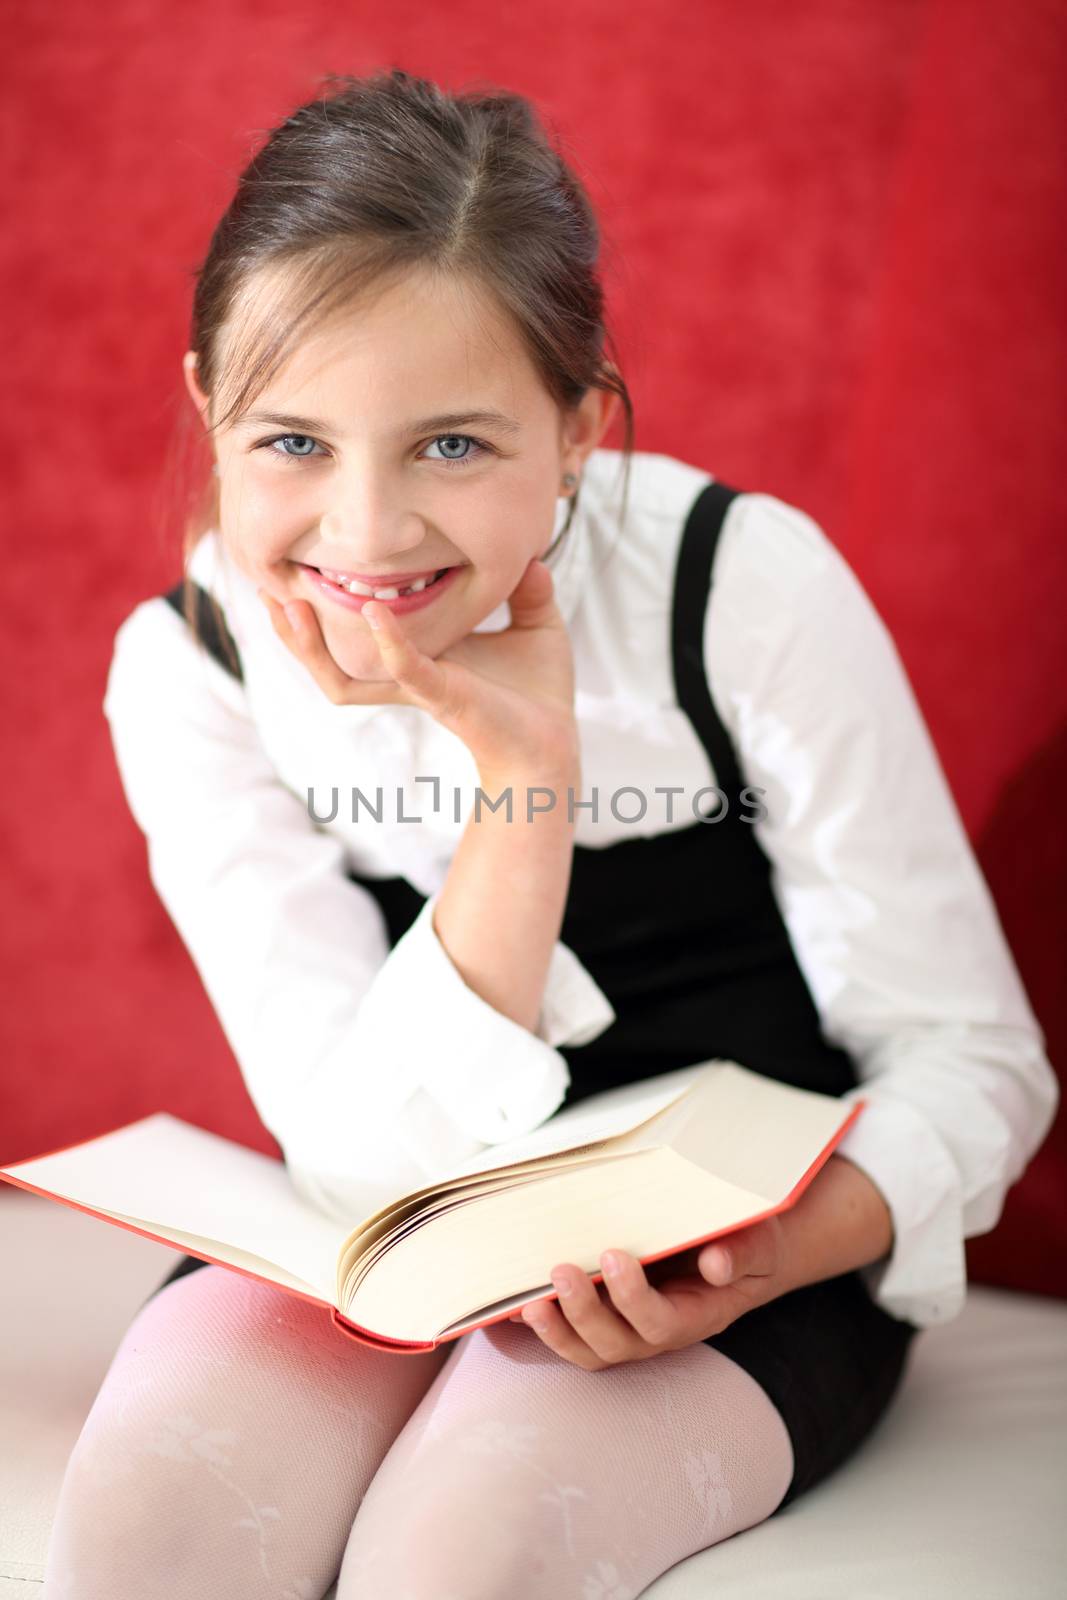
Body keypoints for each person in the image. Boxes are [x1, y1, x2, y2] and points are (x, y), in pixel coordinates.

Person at [45, 67, 1057, 1600]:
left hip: (749, 1244)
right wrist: (522, 787)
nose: (367, 538)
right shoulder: (187, 666)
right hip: (393, 1202)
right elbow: (359, 1151)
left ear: (578, 426)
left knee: (461, 1553)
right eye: (292, 442)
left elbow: (975, 1059)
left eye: (452, 445)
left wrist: (770, 1258)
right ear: (207, 405)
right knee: (146, 1532)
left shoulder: (742, 586)